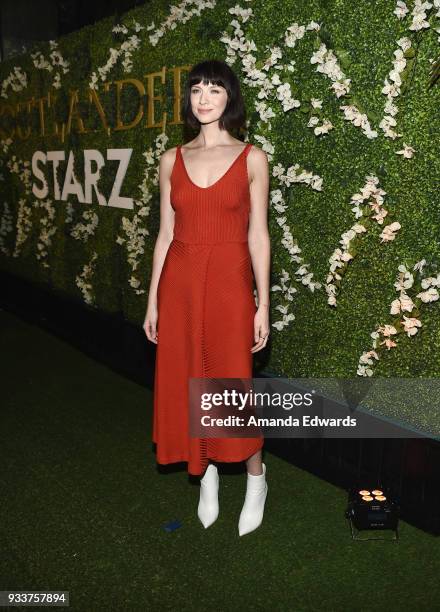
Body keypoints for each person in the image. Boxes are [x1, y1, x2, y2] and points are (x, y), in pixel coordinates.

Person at [144, 59, 271, 536]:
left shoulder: (252, 158)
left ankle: (256, 479)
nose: (203, 97)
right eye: (196, 89)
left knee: (231, 383)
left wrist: (263, 304)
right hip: (178, 281)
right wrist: (153, 301)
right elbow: (164, 234)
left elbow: (259, 236)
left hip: (229, 282)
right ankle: (208, 474)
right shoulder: (171, 160)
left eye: (214, 90)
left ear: (229, 99)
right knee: (188, 377)